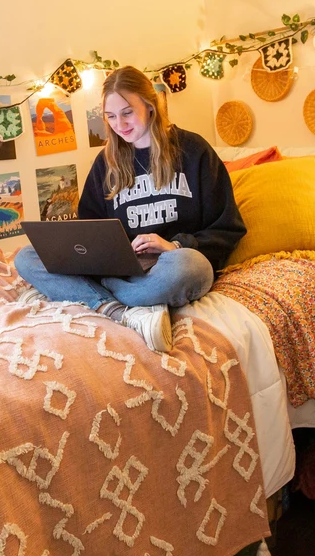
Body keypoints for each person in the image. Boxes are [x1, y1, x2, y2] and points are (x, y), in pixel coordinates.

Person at [15, 66, 246, 351]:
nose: (119, 124)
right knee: (26, 257)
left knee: (191, 266)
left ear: (150, 106)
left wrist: (173, 245)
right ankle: (123, 310)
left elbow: (228, 227)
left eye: (126, 113)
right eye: (110, 116)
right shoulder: (106, 162)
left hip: (171, 265)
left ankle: (93, 298)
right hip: (124, 268)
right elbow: (88, 231)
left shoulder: (192, 150)